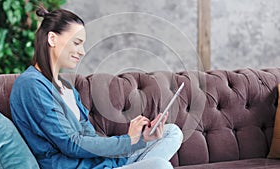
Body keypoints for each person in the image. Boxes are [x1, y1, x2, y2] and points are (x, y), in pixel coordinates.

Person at [10, 6, 183, 169]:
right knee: (160, 166)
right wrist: (128, 140)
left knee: (172, 133)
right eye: (77, 43)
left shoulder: (67, 87)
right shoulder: (31, 85)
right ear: (52, 38)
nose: (82, 51)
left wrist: (139, 140)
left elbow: (89, 138)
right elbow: (71, 144)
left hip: (97, 163)